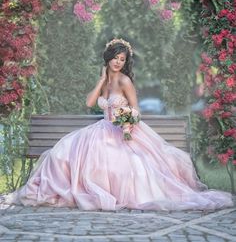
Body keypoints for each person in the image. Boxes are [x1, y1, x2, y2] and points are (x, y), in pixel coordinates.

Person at [1, 38, 234, 211]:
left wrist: (125, 122)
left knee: (127, 165)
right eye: (115, 58)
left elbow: (136, 110)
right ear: (108, 58)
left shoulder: (124, 80)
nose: (118, 63)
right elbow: (90, 102)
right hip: (102, 130)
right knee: (60, 153)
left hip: (124, 131)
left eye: (122, 59)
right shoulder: (106, 79)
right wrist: (102, 79)